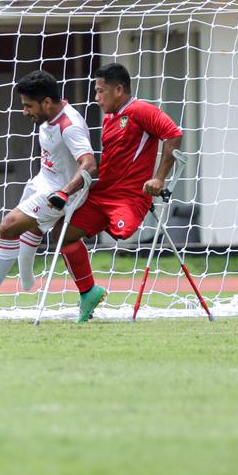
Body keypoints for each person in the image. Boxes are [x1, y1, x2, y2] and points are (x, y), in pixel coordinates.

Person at [0, 70, 97, 320]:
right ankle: (32, 280)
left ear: (46, 102)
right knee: (31, 230)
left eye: (28, 106)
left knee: (8, 226)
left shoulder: (70, 126)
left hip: (62, 191)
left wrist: (65, 192)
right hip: (42, 181)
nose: (25, 111)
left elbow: (89, 164)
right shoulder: (49, 117)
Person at [59, 63, 183, 321]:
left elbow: (173, 134)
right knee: (65, 235)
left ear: (119, 89)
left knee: (123, 234)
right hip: (103, 194)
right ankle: (88, 293)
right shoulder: (110, 119)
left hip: (129, 197)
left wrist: (159, 178)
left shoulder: (140, 110)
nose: (96, 98)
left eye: (100, 91)